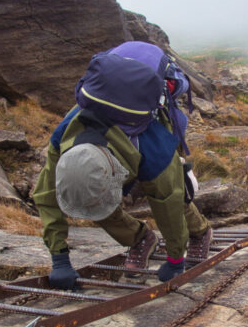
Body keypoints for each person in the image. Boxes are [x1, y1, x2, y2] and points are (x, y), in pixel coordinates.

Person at [32, 46, 213, 290]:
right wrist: (60, 258)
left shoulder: (152, 149)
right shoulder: (62, 139)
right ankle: (140, 238)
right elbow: (46, 196)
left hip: (145, 131)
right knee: (91, 200)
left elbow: (167, 201)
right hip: (109, 145)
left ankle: (201, 231)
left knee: (175, 193)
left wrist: (175, 258)